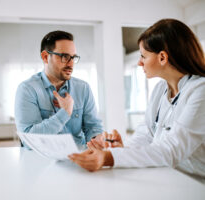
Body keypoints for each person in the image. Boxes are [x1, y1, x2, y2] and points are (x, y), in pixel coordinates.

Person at [69, 19, 205, 178]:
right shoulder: (161, 89)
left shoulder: (200, 91)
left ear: (162, 57)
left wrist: (109, 158)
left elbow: (171, 150)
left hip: (196, 184)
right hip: (168, 175)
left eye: (143, 56)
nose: (140, 63)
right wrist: (120, 150)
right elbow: (145, 134)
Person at [15, 30, 103, 147]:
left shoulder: (83, 88)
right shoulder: (27, 90)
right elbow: (29, 140)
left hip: (78, 158)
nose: (71, 64)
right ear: (45, 57)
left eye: (73, 57)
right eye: (64, 56)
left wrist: (97, 139)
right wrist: (65, 113)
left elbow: (93, 127)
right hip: (41, 161)